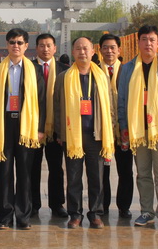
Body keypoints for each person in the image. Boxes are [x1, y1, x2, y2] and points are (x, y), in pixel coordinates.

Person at [118, 26, 158, 230]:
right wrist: (124, 125)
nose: (148, 43)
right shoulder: (128, 68)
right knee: (143, 173)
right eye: (144, 39)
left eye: (152, 39)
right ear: (138, 42)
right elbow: (122, 99)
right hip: (138, 129)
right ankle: (147, 211)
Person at [0, 28, 46, 230]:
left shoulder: (34, 70)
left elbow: (42, 101)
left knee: (25, 173)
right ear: (6, 45)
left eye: (19, 42)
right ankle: (5, 216)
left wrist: (40, 128)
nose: (15, 46)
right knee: (4, 172)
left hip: (26, 126)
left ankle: (23, 215)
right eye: (12, 42)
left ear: (26, 46)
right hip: (3, 125)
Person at [54, 37, 114, 229]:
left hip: (96, 135)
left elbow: (110, 106)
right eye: (78, 49)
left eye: (85, 48)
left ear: (93, 52)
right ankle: (75, 214)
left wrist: (110, 131)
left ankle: (95, 213)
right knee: (73, 177)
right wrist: (60, 133)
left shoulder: (101, 76)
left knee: (96, 177)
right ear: (73, 52)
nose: (82, 52)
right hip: (73, 135)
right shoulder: (63, 77)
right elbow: (57, 106)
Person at [30, 33, 69, 218]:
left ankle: (57, 204)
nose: (45, 49)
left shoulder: (65, 70)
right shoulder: (28, 68)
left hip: (55, 128)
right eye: (41, 45)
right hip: (33, 127)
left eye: (48, 45)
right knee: (32, 167)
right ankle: (32, 204)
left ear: (55, 48)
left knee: (56, 167)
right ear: (36, 48)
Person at [98, 33, 132, 218]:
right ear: (100, 50)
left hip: (124, 129)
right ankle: (102, 206)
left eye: (113, 48)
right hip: (102, 130)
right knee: (102, 170)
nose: (109, 51)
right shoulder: (94, 70)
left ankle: (124, 206)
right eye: (105, 47)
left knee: (125, 170)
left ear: (119, 50)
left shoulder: (129, 71)